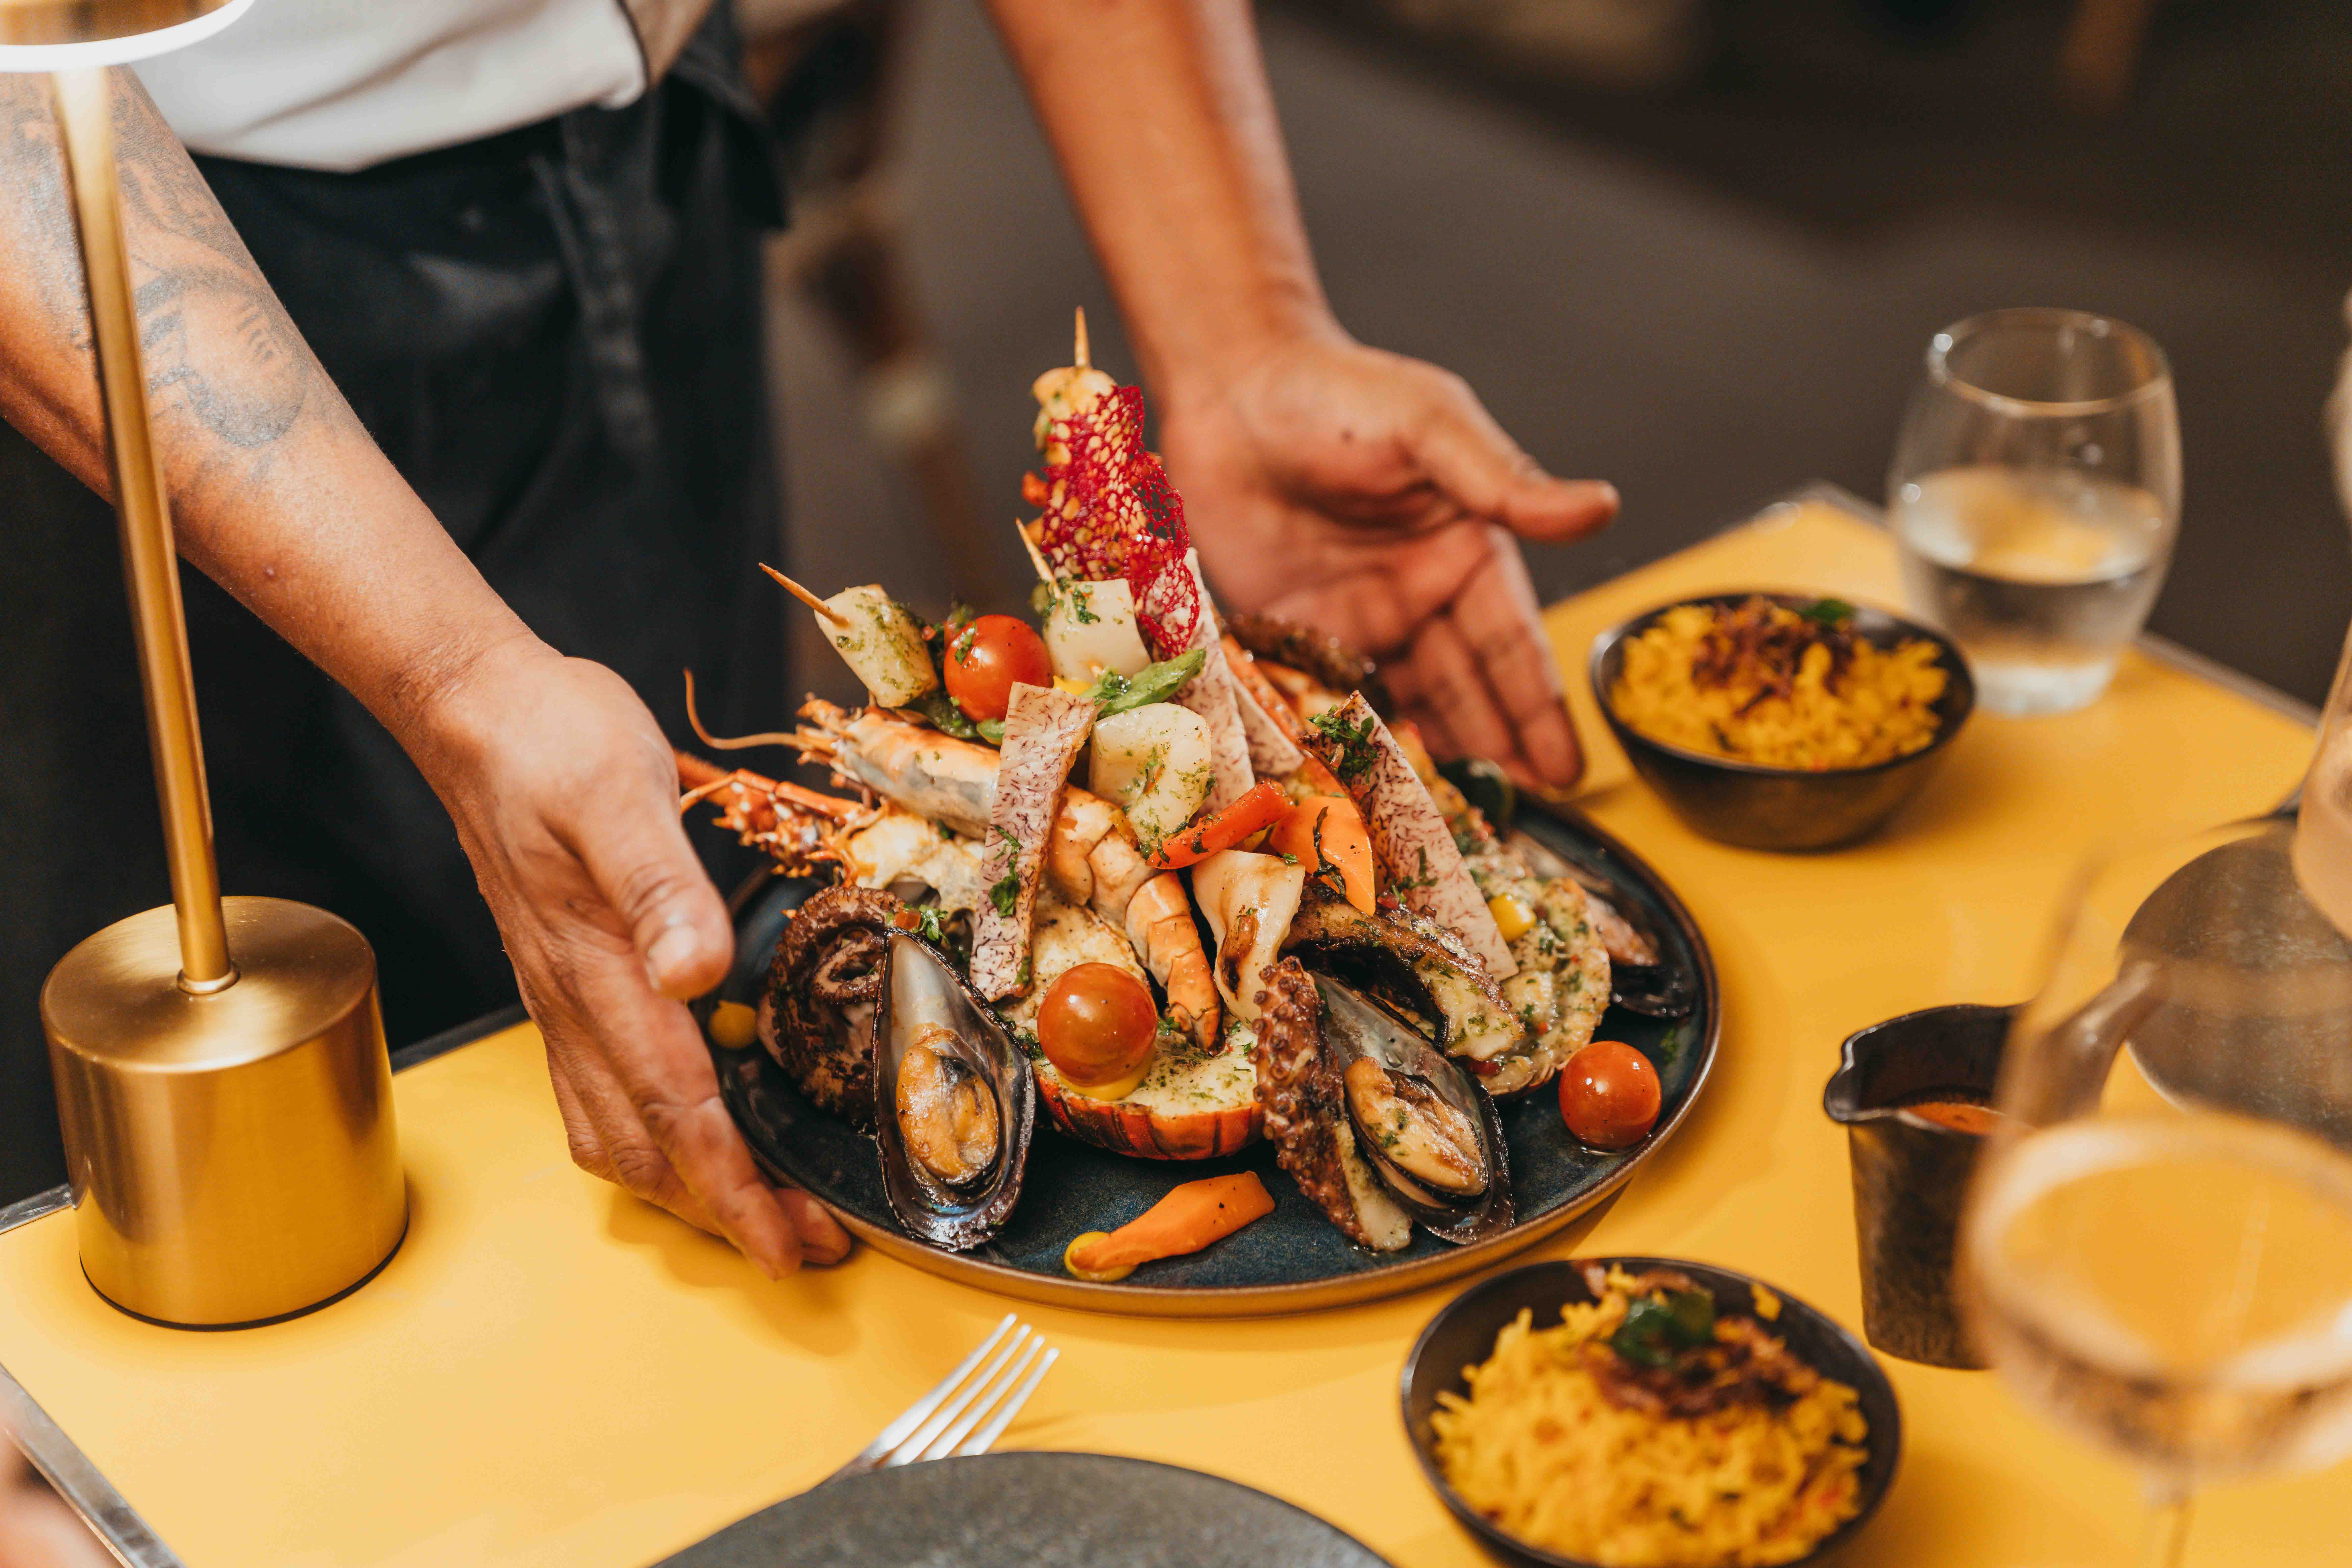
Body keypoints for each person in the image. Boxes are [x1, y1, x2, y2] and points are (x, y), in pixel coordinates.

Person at [0, 0, 1618, 1273]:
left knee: (675, 1059)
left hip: (650, 156)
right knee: (200, 1192)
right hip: (124, 272)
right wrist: (456, 675)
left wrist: (1241, 329)